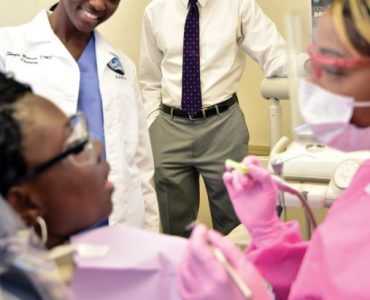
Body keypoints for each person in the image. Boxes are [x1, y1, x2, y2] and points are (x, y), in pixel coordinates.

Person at [178, 0, 370, 299]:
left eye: (331, 66)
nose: (313, 83)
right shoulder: (364, 179)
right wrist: (268, 232)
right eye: (313, 62)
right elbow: (319, 276)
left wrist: (248, 293)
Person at [0, 0, 159, 230]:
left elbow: (141, 166)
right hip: (37, 234)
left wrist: (150, 238)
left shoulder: (123, 66)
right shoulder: (6, 49)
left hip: (118, 229)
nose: (98, 4)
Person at [139, 0, 290, 237]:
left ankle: (232, 274)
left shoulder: (239, 5)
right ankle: (181, 274)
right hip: (169, 128)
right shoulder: (155, 10)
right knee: (174, 231)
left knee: (235, 226)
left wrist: (317, 68)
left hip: (223, 127)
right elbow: (149, 79)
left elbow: (274, 52)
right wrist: (153, 123)